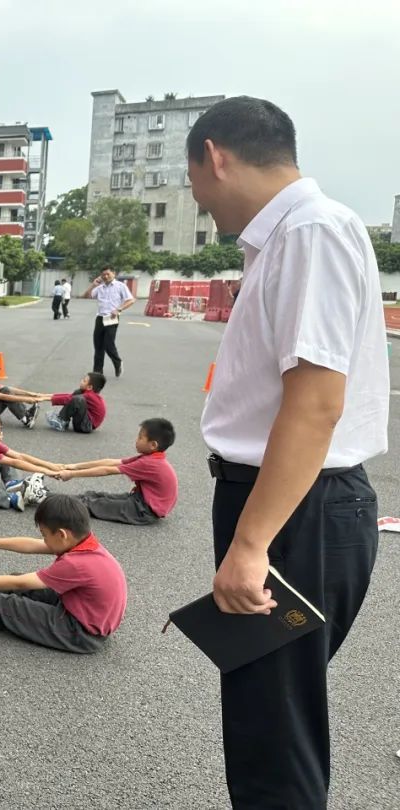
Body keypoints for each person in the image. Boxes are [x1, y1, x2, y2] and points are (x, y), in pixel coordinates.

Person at [189, 96, 387, 809]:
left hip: (292, 512)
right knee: (266, 720)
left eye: (195, 182)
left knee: (275, 743)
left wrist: (251, 544)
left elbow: (316, 403)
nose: (200, 201)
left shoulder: (310, 233)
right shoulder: (293, 237)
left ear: (215, 155)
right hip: (286, 506)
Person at [0, 495, 127, 655]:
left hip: (80, 632)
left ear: (62, 534)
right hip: (83, 610)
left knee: (6, 605)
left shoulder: (77, 564)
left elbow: (20, 583)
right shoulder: (84, 543)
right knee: (22, 584)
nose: (43, 540)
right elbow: (31, 545)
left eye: (45, 535)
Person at [55, 418, 178, 525]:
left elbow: (107, 470)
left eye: (140, 437)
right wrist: (74, 466)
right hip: (140, 500)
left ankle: (49, 501)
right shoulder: (152, 457)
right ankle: (55, 500)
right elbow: (111, 462)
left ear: (153, 445)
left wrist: (71, 474)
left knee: (93, 504)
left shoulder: (149, 463)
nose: (136, 440)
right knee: (94, 495)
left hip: (144, 510)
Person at [84, 267, 134, 377]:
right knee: (98, 346)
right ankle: (97, 372)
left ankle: (117, 362)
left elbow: (131, 300)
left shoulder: (120, 286)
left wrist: (119, 309)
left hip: (111, 317)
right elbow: (86, 296)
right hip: (100, 318)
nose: (105, 276)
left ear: (114, 274)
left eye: (108, 274)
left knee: (108, 344)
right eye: (103, 275)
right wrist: (93, 285)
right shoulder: (100, 287)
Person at [41, 372, 107, 434]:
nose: (81, 381)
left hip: (86, 426)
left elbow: (68, 399)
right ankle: (64, 420)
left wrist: (44, 398)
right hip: (86, 422)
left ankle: (61, 421)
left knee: (77, 400)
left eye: (84, 381)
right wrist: (44, 396)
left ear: (89, 387)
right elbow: (68, 396)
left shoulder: (89, 396)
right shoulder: (88, 393)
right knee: (77, 394)